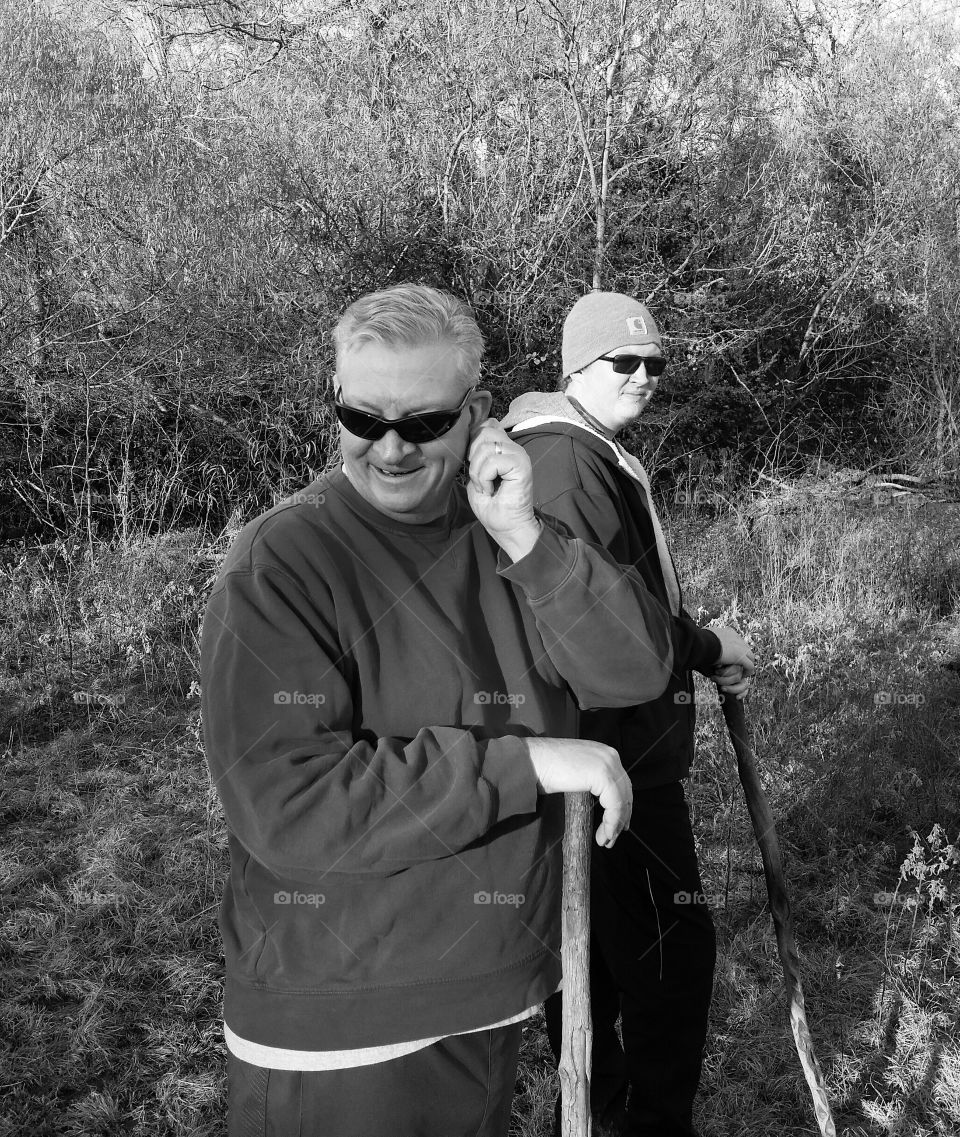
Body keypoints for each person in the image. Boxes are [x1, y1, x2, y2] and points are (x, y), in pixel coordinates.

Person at [200, 284, 748, 1137]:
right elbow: (288, 801)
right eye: (360, 417)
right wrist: (525, 761)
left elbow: (635, 668)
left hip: (490, 999)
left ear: (478, 414)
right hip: (348, 1037)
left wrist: (529, 536)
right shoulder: (284, 560)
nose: (388, 449)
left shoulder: (503, 523)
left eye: (422, 423)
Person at [502, 291, 756, 1137]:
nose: (645, 376)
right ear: (577, 365)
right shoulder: (570, 465)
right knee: (671, 955)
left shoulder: (586, 451)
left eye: (655, 363)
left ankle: (607, 1109)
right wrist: (709, 647)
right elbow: (611, 631)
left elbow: (626, 603)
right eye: (625, 362)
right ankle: (642, 1122)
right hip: (612, 757)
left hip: (601, 751)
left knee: (600, 957)